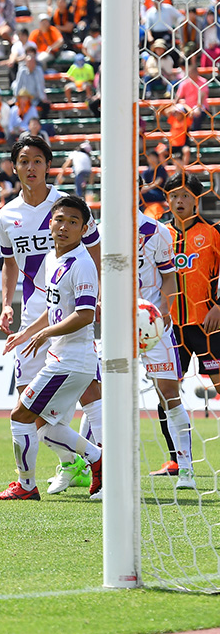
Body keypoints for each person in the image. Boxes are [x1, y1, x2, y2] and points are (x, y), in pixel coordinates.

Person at [0, 136, 103, 495]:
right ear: (14, 167)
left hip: (72, 311)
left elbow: (95, 249)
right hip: (34, 317)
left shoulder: (66, 206)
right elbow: (9, 263)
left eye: (38, 161)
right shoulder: (6, 216)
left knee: (90, 391)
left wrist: (97, 294)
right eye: (24, 161)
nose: (31, 167)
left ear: (48, 166)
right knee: (29, 409)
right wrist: (6, 303)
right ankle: (74, 464)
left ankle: (107, 467)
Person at [164, 174, 220, 473]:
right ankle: (176, 459)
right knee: (166, 393)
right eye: (174, 195)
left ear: (197, 199)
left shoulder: (213, 232)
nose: (179, 201)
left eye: (185, 195)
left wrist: (219, 306)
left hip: (208, 326)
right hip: (171, 329)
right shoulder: (160, 234)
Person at [137, 209, 195, 488]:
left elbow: (169, 277)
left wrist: (163, 310)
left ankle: (186, 469)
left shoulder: (156, 231)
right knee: (98, 396)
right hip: (116, 326)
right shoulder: (101, 231)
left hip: (153, 325)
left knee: (168, 393)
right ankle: (99, 476)